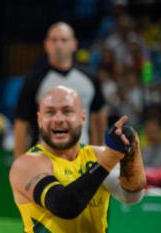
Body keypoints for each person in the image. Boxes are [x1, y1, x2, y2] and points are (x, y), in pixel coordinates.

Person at [9, 86, 146, 233]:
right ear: (39, 120)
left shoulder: (97, 155)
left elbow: (131, 197)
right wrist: (110, 157)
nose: (58, 119)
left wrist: (131, 151)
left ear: (82, 118)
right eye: (50, 113)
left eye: (67, 111)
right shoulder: (26, 164)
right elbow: (65, 205)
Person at [13, 22, 107, 158]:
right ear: (46, 44)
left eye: (64, 40)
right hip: (45, 159)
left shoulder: (90, 78)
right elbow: (21, 123)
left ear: (74, 44)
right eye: (54, 40)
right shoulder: (34, 80)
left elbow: (99, 115)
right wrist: (19, 160)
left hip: (82, 158)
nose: (58, 45)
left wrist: (99, 155)